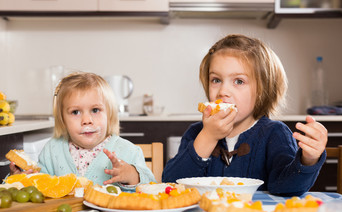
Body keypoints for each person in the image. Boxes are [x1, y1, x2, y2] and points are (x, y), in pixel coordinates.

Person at [162, 34, 328, 196]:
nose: (223, 91)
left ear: (264, 89)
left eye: (239, 81)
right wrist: (207, 137)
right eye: (216, 80)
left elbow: (286, 188)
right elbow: (170, 183)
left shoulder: (275, 133)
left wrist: (308, 160)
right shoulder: (196, 133)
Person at [10, 72, 156, 190]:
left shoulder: (129, 151)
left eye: (95, 110)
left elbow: (152, 187)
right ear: (62, 119)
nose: (86, 120)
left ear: (109, 114)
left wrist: (132, 175)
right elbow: (38, 186)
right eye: (75, 112)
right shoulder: (52, 150)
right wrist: (21, 178)